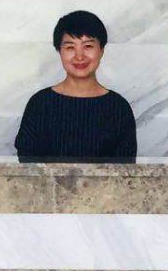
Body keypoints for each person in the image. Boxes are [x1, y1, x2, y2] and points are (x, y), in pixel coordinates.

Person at [14, 10, 137, 161]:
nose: (79, 56)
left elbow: (125, 170)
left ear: (101, 50)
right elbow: (26, 166)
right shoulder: (40, 103)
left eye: (88, 46)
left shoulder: (118, 108)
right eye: (70, 47)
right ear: (59, 51)